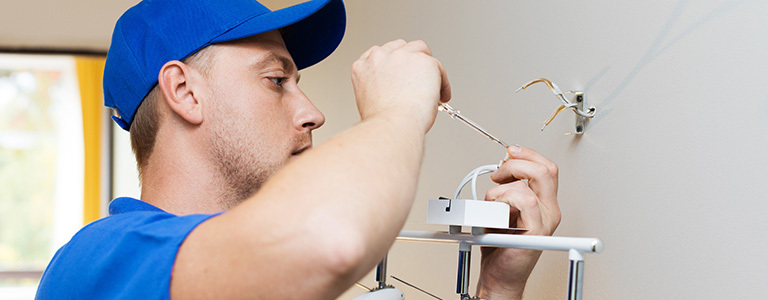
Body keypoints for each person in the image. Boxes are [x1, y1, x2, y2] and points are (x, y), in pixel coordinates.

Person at [36, 0, 561, 299]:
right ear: (184, 93)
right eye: (276, 80)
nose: (313, 112)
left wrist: (497, 289)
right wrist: (398, 110)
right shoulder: (102, 262)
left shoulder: (257, 279)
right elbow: (330, 239)